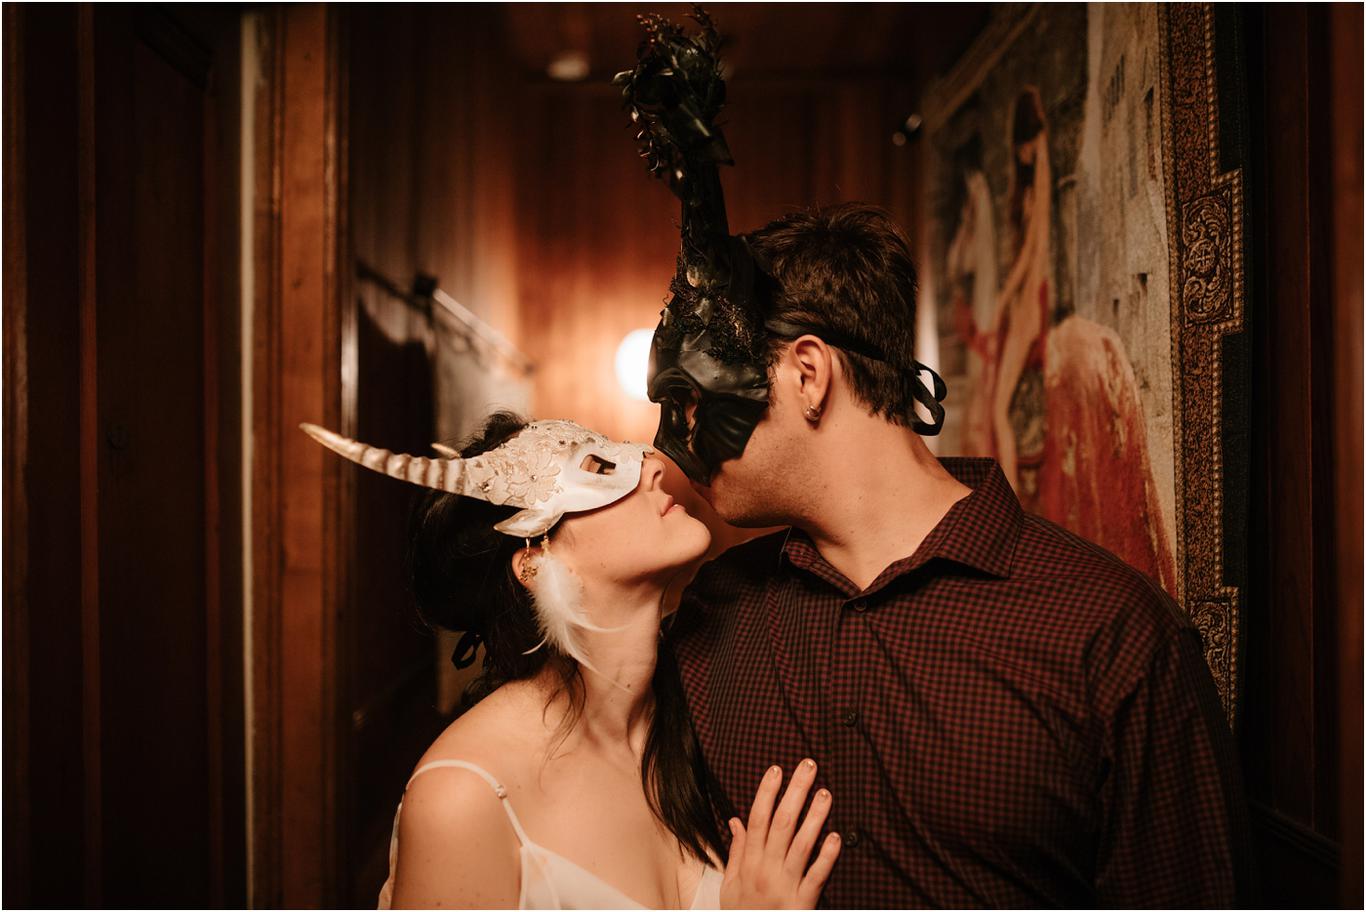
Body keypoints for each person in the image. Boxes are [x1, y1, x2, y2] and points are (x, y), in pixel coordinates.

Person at [647, 204, 1254, 908]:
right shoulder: (714, 619)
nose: (672, 444)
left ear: (807, 374)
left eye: (693, 398)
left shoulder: (1114, 636)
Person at [300, 415, 841, 909]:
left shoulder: (703, 716)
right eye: (599, 468)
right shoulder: (462, 800)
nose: (651, 466)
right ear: (537, 561)